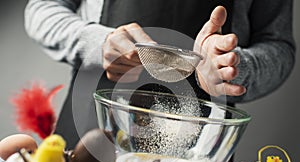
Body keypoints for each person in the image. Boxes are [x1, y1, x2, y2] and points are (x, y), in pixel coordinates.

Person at [24, 0, 295, 149]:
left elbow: (278, 45)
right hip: (92, 126)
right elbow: (40, 9)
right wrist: (98, 42)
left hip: (197, 151)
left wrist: (231, 65)